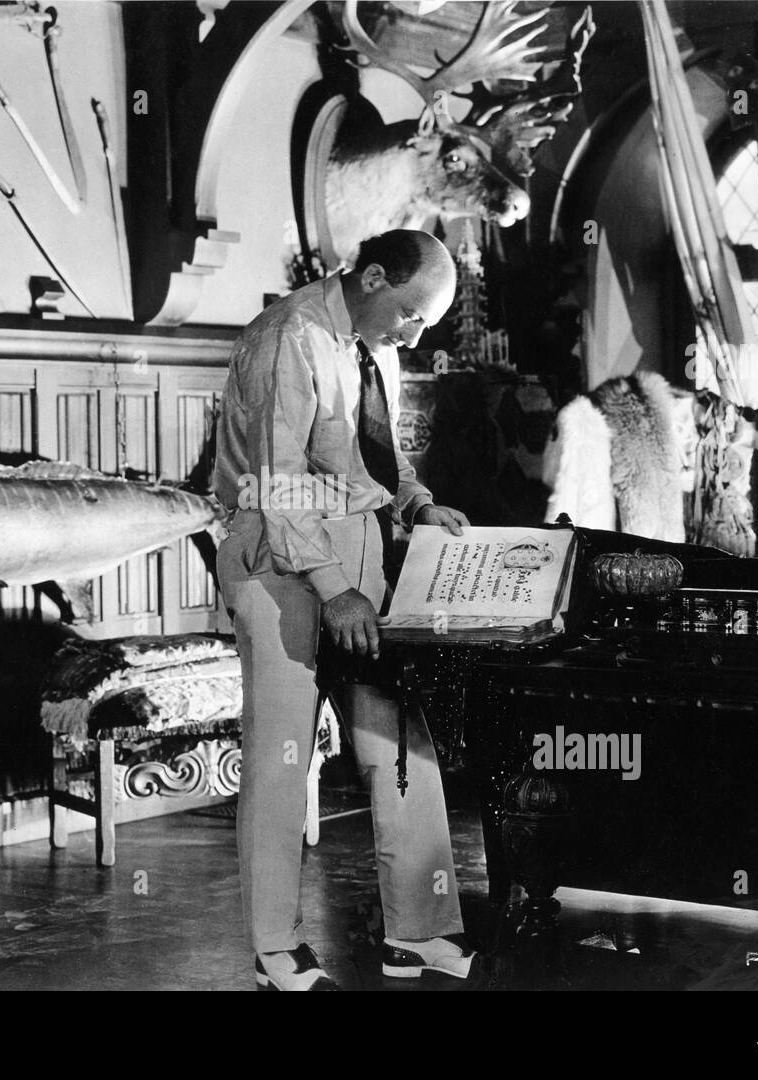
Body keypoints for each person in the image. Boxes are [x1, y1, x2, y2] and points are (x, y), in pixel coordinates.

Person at [212, 229, 473, 990]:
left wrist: (418, 506)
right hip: (281, 567)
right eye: (412, 314)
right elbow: (277, 479)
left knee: (400, 748)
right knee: (282, 757)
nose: (415, 333)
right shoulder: (290, 335)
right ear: (373, 276)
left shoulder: (370, 340)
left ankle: (419, 931)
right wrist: (335, 589)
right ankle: (274, 950)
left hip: (360, 557)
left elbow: (374, 458)